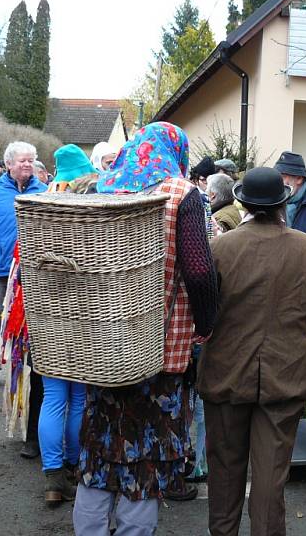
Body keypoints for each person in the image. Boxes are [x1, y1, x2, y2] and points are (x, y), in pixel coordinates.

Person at [73, 122, 218, 535]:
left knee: (98, 453)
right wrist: (205, 325)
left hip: (101, 343)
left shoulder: (102, 187)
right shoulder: (180, 194)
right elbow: (199, 270)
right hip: (160, 350)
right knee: (146, 458)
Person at [198, 167, 306, 536]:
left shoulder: (220, 247)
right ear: (281, 205)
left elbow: (205, 308)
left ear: (243, 203)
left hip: (227, 371)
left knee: (224, 468)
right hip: (286, 373)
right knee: (272, 475)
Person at [33, 144, 95, 504]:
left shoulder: (39, 206)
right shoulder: (93, 207)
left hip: (47, 313)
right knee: (81, 395)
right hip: (87, 314)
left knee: (54, 396)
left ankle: (53, 477)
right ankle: (74, 465)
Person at [0, 141, 47, 389]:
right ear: (8, 164)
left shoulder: (44, 192)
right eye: (22, 160)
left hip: (33, 271)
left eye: (30, 160)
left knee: (32, 321)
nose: (27, 164)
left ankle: (26, 367)